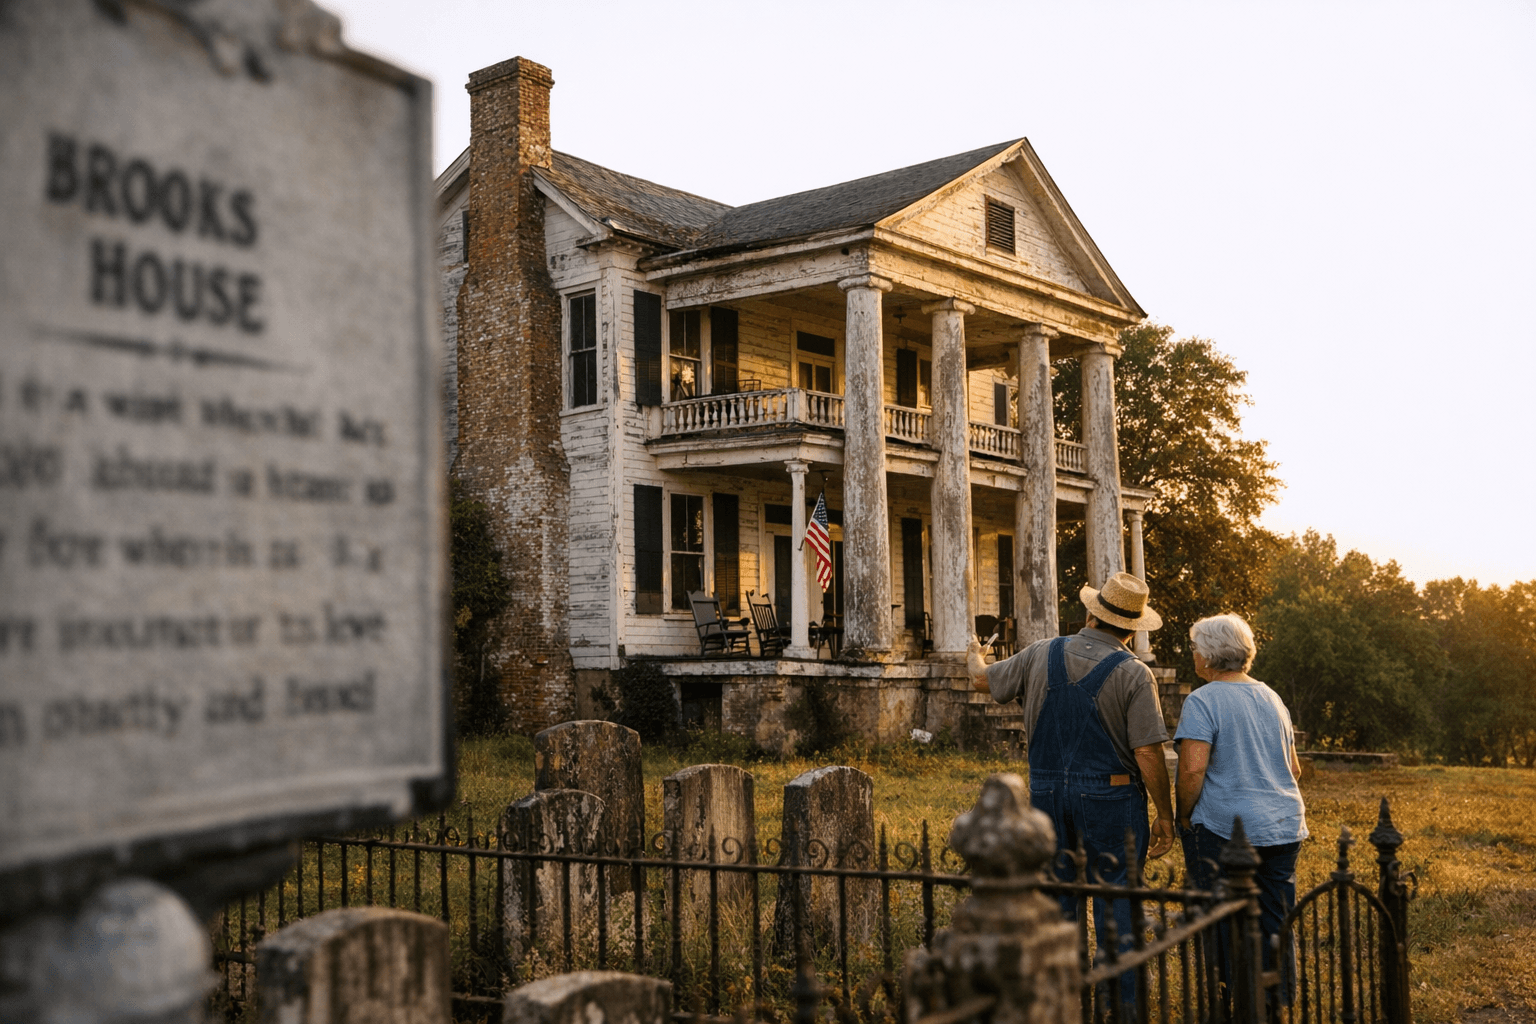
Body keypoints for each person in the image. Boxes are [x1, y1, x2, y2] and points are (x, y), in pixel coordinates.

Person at [968, 571, 1175, 1008]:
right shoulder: (1135, 674)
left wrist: (974, 655)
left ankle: (1062, 1005)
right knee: (1117, 901)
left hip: (1045, 796)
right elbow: (1148, 755)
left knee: (1057, 899)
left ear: (1090, 612)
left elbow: (982, 680)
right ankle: (1120, 1009)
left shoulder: (1040, 653)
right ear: (1132, 627)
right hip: (1113, 799)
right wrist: (1166, 815)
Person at [1176, 613, 1307, 1002]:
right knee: (1275, 919)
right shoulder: (1272, 697)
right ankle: (1277, 1002)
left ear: (1211, 656)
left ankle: (1232, 1000)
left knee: (1222, 921)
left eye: (1196, 649)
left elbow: (1193, 769)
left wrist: (1183, 814)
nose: (1193, 656)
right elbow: (1294, 768)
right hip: (1282, 825)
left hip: (1223, 830)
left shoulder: (1202, 700)